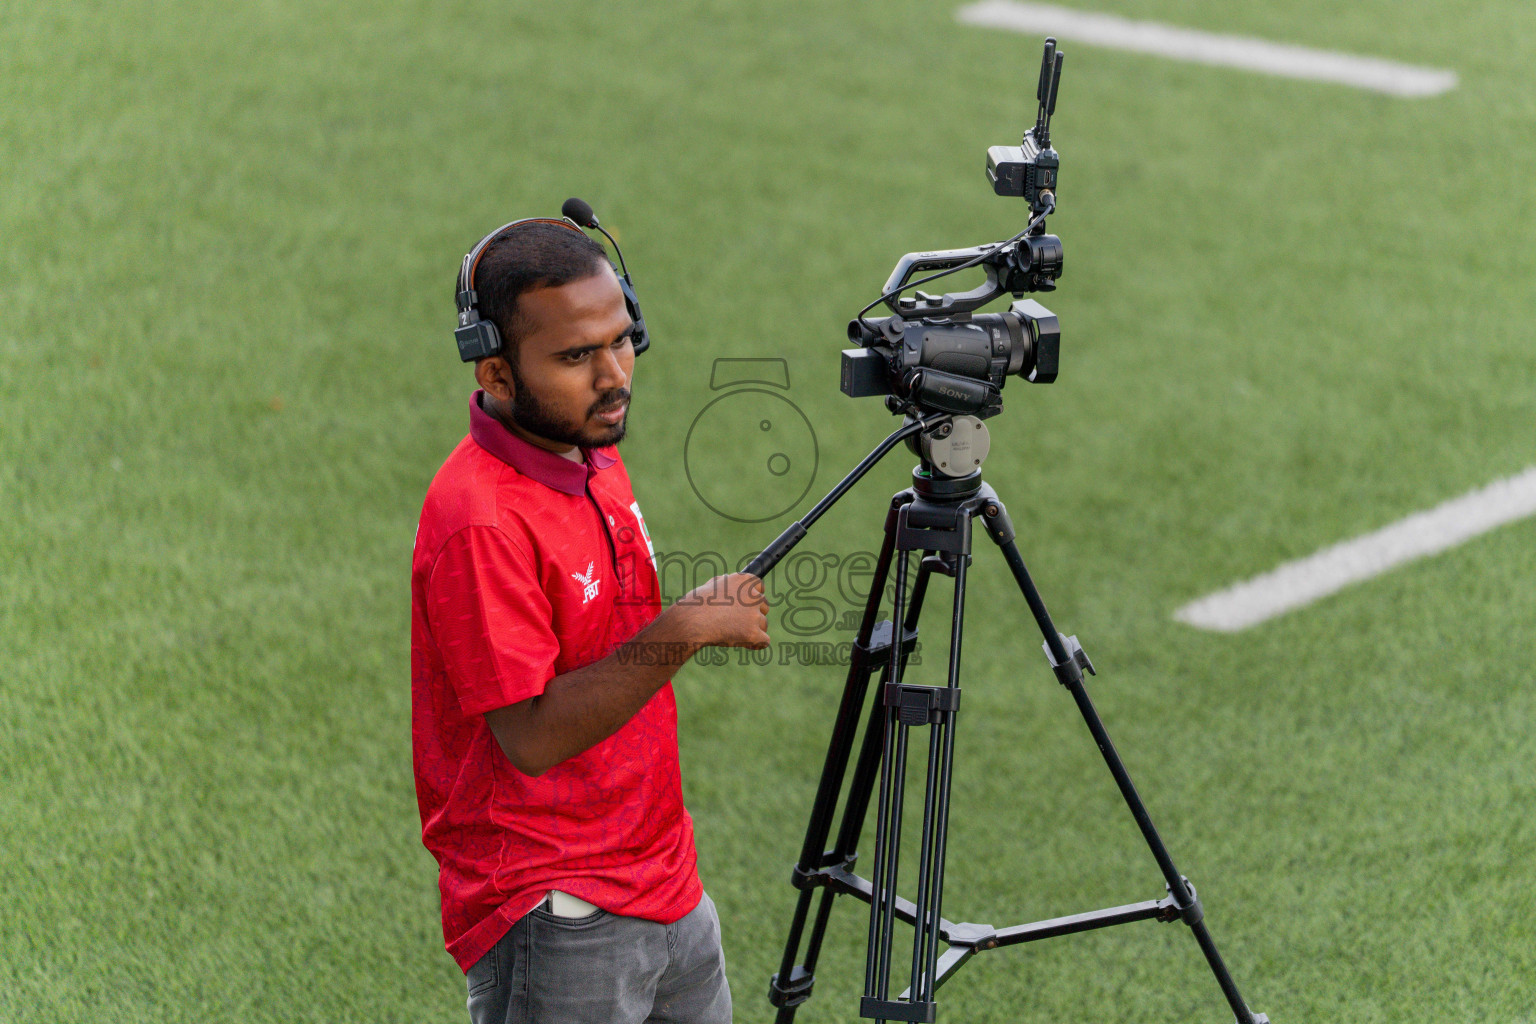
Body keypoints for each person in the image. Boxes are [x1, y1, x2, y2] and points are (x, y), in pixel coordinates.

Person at [411, 218, 769, 1023]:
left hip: (664, 875)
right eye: (576, 357)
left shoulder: (590, 448)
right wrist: (686, 627)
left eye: (622, 340)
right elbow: (531, 738)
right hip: (558, 906)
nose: (614, 376)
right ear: (497, 372)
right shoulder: (480, 522)